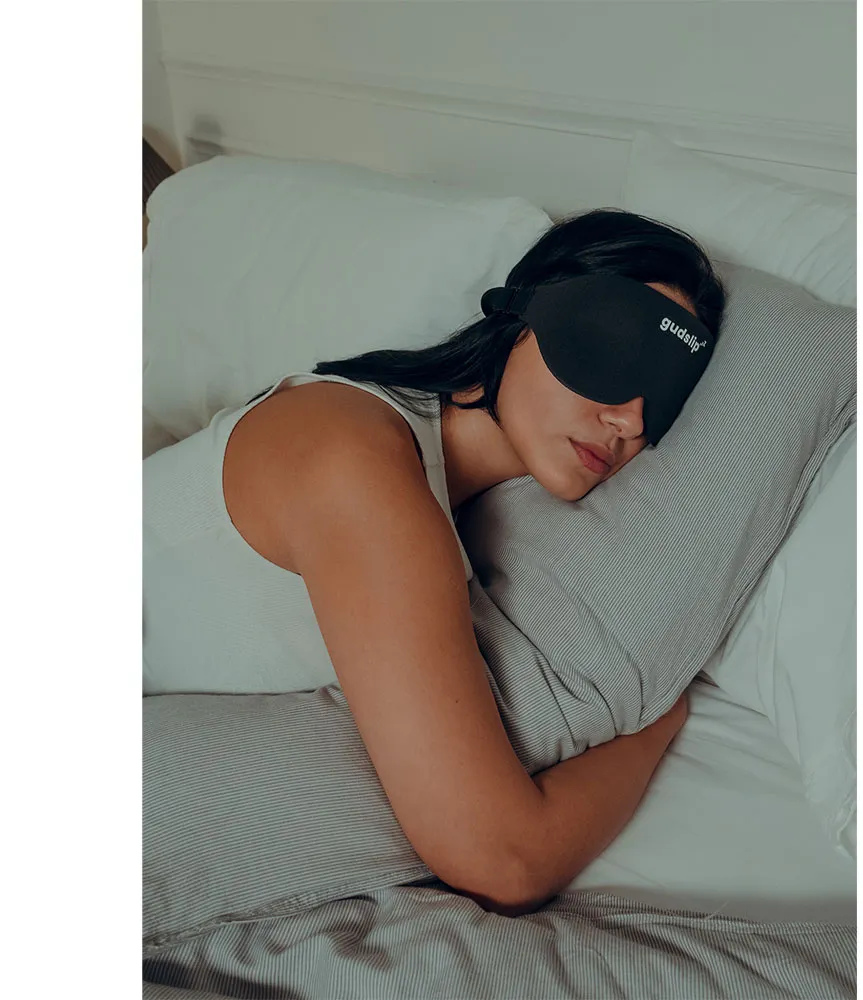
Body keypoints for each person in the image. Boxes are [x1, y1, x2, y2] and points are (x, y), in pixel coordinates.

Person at [143, 208, 727, 917]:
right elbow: (504, 862)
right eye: (618, 353)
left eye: (664, 396)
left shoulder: (430, 489)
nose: (630, 420)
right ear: (522, 317)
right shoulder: (356, 461)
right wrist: (660, 719)